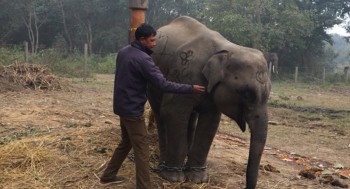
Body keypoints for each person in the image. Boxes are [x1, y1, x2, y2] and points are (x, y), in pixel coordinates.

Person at [99, 23, 205, 188]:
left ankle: (108, 175)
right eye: (152, 40)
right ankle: (144, 185)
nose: (154, 44)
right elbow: (163, 85)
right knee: (142, 149)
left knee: (126, 142)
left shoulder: (124, 52)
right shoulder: (143, 59)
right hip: (132, 110)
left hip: (121, 106)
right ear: (142, 40)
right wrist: (190, 88)